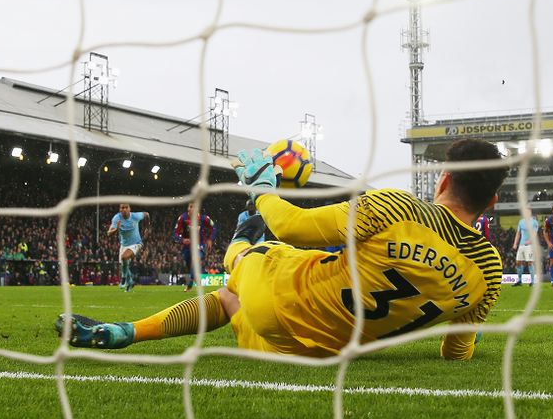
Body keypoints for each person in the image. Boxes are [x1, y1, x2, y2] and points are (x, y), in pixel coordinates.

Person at [56, 138, 508, 361]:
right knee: (233, 303)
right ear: (491, 202)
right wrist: (465, 327)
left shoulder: (398, 207)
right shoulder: (488, 270)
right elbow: (456, 352)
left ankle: (238, 236)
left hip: (286, 295)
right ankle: (129, 330)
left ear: (444, 179)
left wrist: (262, 190)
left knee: (244, 265)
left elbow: (294, 226)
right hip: (311, 352)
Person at [173, 202, 217, 292]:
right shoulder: (182, 218)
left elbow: (214, 228)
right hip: (187, 247)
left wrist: (210, 239)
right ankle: (195, 276)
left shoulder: (203, 218)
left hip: (200, 244)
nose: (193, 209)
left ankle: (190, 283)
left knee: (196, 259)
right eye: (191, 207)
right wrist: (182, 240)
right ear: (188, 208)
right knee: (190, 265)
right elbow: (175, 233)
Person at [108, 203, 149, 292]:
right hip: (124, 245)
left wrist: (147, 228)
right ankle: (130, 282)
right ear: (120, 209)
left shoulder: (135, 216)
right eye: (122, 208)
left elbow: (147, 214)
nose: (124, 209)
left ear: (129, 209)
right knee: (123, 266)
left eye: (126, 207)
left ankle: (123, 280)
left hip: (136, 243)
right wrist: (116, 229)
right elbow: (109, 233)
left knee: (124, 257)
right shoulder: (117, 218)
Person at [511, 210, 540, 286]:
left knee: (530, 262)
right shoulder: (521, 222)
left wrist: (530, 241)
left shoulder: (534, 222)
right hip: (521, 245)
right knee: (518, 262)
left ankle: (532, 282)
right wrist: (515, 244)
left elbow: (534, 233)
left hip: (530, 245)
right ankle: (519, 280)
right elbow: (518, 233)